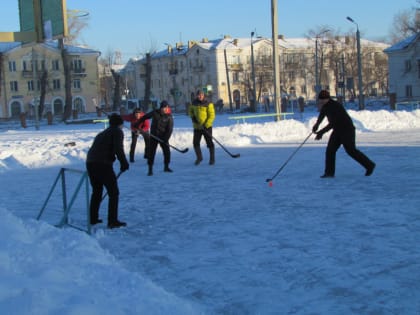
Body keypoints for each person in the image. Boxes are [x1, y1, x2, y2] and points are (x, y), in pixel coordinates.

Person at [312, 90, 376, 178]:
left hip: (347, 130)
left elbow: (333, 123)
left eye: (322, 99)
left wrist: (321, 132)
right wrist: (316, 125)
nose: (321, 101)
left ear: (327, 98)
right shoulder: (325, 106)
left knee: (351, 151)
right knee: (330, 151)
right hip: (337, 131)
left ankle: (369, 165)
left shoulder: (335, 106)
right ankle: (329, 173)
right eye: (320, 100)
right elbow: (322, 116)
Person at [86, 114, 129, 229]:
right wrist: (124, 163)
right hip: (102, 164)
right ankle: (112, 221)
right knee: (113, 192)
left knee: (97, 191)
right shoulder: (117, 132)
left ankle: (93, 218)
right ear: (120, 124)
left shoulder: (103, 133)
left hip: (90, 163)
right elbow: (118, 149)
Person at [136, 100, 174, 176]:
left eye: (167, 107)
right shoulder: (155, 113)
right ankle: (150, 169)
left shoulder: (169, 117)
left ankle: (166, 167)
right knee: (151, 153)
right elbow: (145, 117)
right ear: (161, 108)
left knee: (167, 152)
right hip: (154, 136)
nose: (166, 109)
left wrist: (165, 139)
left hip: (163, 137)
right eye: (164, 107)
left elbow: (169, 130)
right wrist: (138, 123)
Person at [188, 90, 216, 165]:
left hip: (207, 127)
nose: (200, 96)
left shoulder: (208, 103)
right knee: (195, 143)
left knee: (209, 143)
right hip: (197, 127)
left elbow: (212, 115)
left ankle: (212, 159)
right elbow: (190, 112)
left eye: (201, 95)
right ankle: (199, 157)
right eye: (198, 95)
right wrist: (193, 117)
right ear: (197, 96)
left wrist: (206, 125)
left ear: (204, 95)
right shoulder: (194, 103)